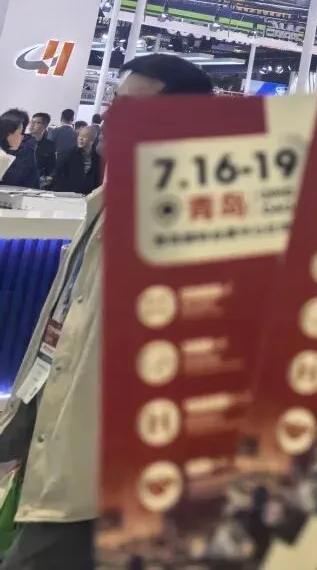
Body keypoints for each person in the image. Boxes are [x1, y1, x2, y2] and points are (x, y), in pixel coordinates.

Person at [0, 55, 214, 569]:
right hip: (54, 419)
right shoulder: (107, 200)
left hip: (109, 464)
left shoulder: (187, 222)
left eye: (131, 107)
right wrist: (26, 418)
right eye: (114, 102)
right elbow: (68, 322)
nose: (109, 118)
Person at [51, 126, 102, 195]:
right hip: (69, 194)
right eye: (79, 136)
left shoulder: (97, 157)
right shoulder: (68, 154)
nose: (80, 138)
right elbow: (57, 174)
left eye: (84, 136)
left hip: (88, 195)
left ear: (92, 140)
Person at [0, 109, 37, 189]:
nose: (22, 137)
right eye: (20, 133)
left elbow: (13, 179)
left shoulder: (27, 146)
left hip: (24, 192)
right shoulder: (3, 152)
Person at [27, 113, 56, 188]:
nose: (32, 125)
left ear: (44, 126)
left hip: (38, 184)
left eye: (37, 122)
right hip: (20, 181)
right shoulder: (21, 141)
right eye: (31, 122)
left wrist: (49, 178)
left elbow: (52, 167)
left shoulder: (50, 145)